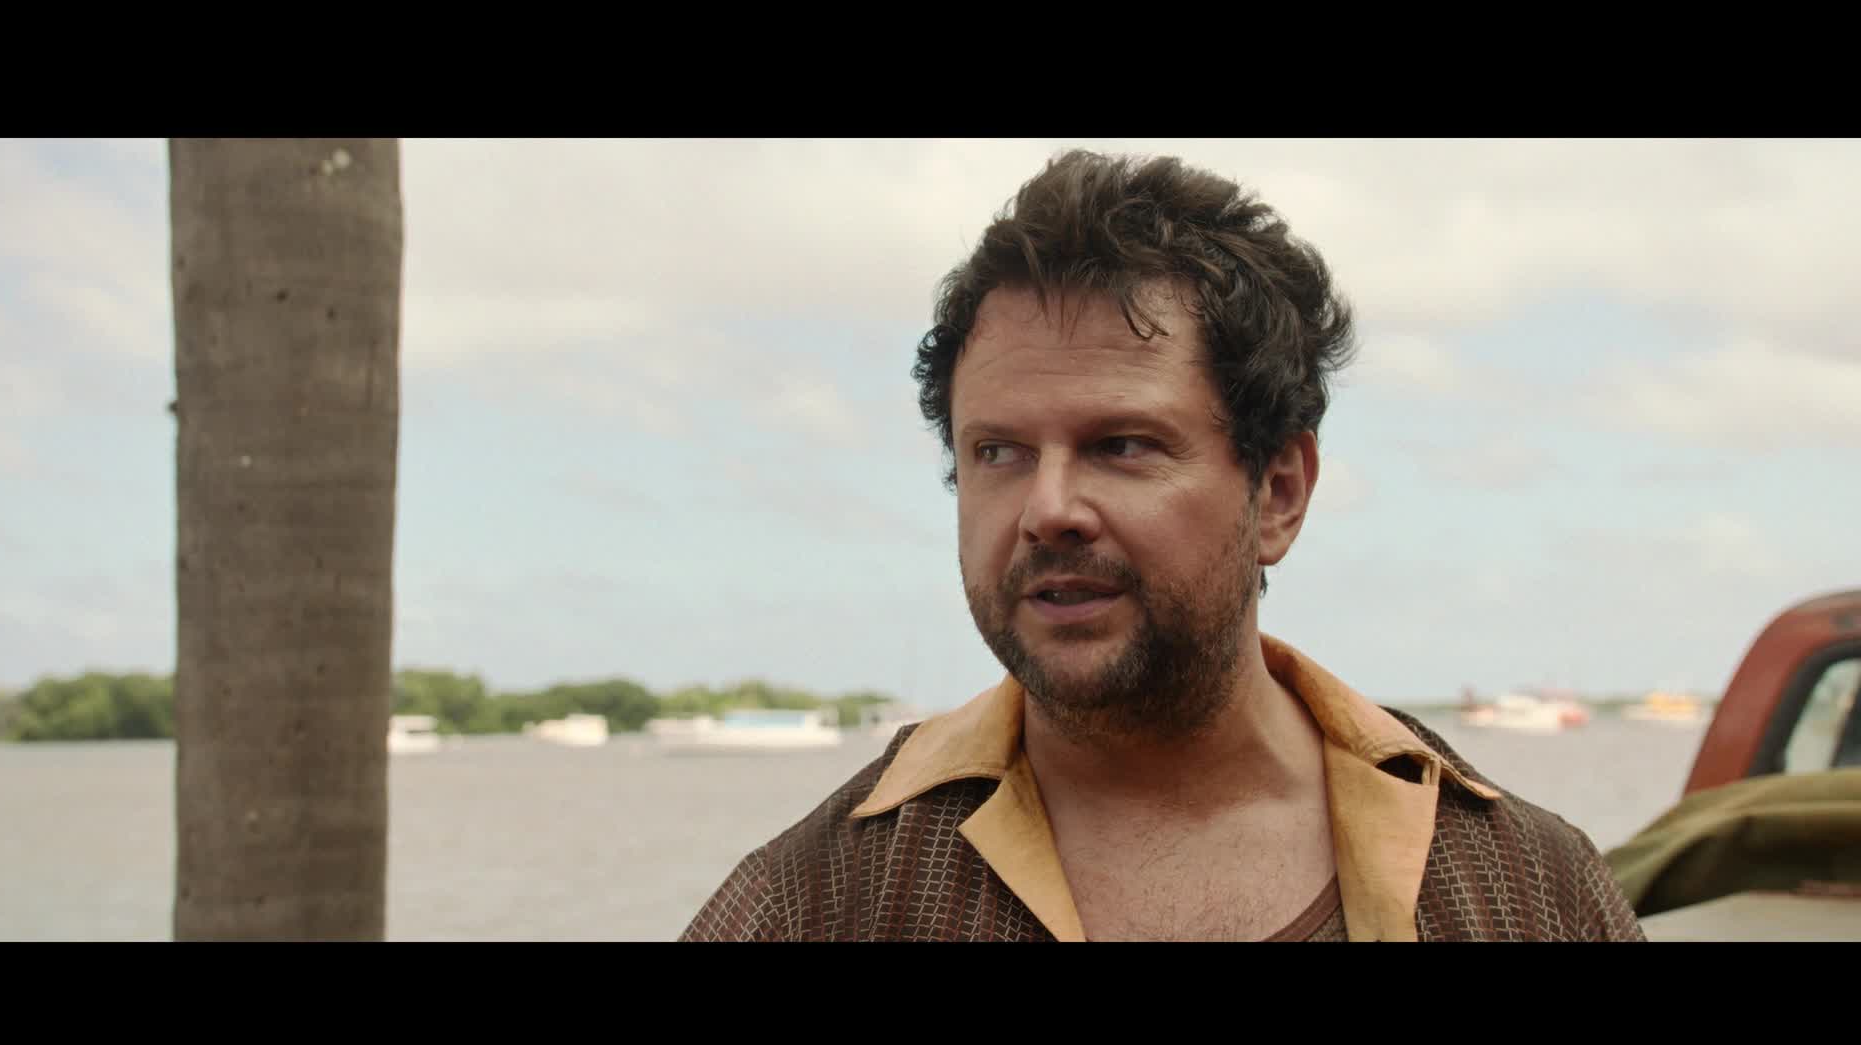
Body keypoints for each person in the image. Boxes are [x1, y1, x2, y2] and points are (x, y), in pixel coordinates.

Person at [679, 149, 1646, 941]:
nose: (1048, 509)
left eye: (1122, 445)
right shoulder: (822, 901)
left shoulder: (1521, 890)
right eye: (1000, 452)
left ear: (1279, 492)